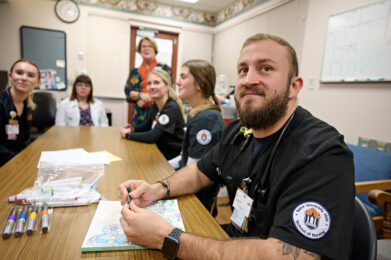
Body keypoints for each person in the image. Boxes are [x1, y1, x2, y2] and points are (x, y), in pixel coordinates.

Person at [118, 33, 355, 259]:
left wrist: (166, 237)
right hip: (235, 239)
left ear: (294, 87)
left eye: (266, 68)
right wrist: (157, 189)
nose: (249, 80)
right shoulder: (240, 131)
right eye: (243, 70)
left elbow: (286, 255)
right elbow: (200, 171)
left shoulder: (322, 153)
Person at [168, 60, 225, 214]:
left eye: (183, 77)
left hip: (196, 203)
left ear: (199, 84)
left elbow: (193, 170)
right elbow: (184, 156)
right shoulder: (200, 114)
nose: (178, 82)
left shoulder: (206, 119)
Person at [120, 69, 185, 160]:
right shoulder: (157, 104)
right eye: (149, 83)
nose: (152, 86)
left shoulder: (171, 108)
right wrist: (132, 128)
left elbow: (152, 136)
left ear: (167, 86)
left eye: (156, 83)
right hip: (158, 151)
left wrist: (128, 135)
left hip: (170, 157)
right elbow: (147, 125)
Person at [124, 36, 172, 126]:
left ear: (155, 50)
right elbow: (127, 92)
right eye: (143, 46)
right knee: (136, 138)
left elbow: (168, 89)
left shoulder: (164, 68)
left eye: (150, 46)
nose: (146, 49)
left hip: (159, 111)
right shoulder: (134, 72)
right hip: (139, 113)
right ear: (140, 50)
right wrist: (140, 95)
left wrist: (148, 98)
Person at [0, 59, 40, 166]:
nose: (24, 78)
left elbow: (25, 138)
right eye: (19, 73)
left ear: (37, 82)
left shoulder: (28, 106)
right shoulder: (1, 102)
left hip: (17, 161)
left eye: (30, 75)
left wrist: (28, 158)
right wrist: (18, 160)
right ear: (10, 76)